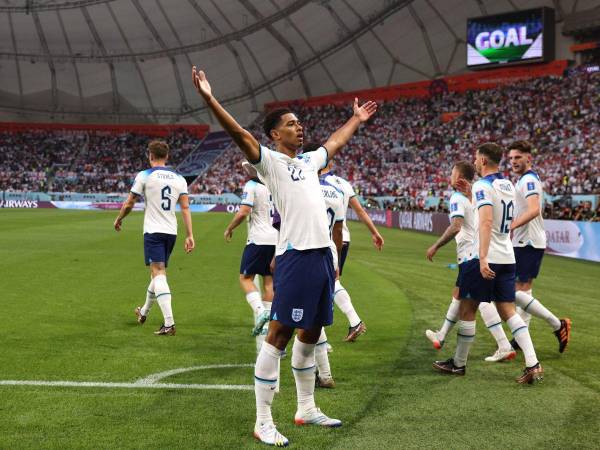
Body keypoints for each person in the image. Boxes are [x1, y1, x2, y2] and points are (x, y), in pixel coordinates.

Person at [192, 66, 377, 446]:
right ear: (276, 134)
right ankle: (263, 420)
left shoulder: (310, 162)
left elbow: (334, 143)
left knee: (311, 334)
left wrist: (355, 120)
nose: (299, 128)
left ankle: (306, 408)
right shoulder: (270, 163)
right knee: (279, 336)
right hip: (295, 258)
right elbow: (239, 134)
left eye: (299, 123)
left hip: (323, 258)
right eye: (291, 124)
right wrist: (210, 99)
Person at [433, 143, 543, 384]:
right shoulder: (508, 184)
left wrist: (482, 258)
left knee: (467, 308)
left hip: (486, 256)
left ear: (482, 160)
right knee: (508, 311)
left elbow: (485, 223)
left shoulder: (484, 185)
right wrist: (472, 192)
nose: (474, 161)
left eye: (476, 158)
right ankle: (532, 363)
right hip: (507, 255)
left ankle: (459, 364)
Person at [425, 161, 516, 362]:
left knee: (474, 303)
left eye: (451, 171)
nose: (449, 175)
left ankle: (495, 347)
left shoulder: (458, 197)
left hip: (471, 256)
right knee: (459, 296)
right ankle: (441, 335)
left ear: (459, 176)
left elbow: (456, 226)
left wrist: (436, 246)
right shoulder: (475, 195)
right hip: (480, 253)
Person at [114, 140, 195, 336]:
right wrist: (190, 234)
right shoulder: (179, 179)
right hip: (171, 232)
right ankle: (143, 312)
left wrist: (119, 218)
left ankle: (169, 323)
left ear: (150, 156)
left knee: (158, 273)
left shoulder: (144, 175)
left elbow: (129, 203)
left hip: (153, 231)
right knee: (157, 273)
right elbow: (185, 207)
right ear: (167, 157)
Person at [508, 141, 571, 352]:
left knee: (520, 290)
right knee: (521, 290)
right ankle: (520, 336)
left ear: (529, 158)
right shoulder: (522, 180)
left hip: (529, 241)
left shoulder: (529, 180)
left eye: (518, 157)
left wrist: (512, 226)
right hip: (523, 241)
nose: (514, 162)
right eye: (511, 158)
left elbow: (534, 209)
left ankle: (556, 324)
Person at [323, 165, 384, 341]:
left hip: (328, 238)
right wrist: (374, 232)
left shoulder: (313, 182)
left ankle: (322, 335)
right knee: (332, 281)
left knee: (326, 283)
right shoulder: (343, 183)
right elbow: (360, 210)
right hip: (343, 236)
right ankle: (353, 323)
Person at [224, 162, 278, 353]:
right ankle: (269, 324)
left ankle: (260, 311)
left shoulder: (252, 185)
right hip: (277, 239)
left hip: (259, 239)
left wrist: (230, 228)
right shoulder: (275, 185)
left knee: (245, 278)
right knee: (269, 282)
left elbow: (244, 211)